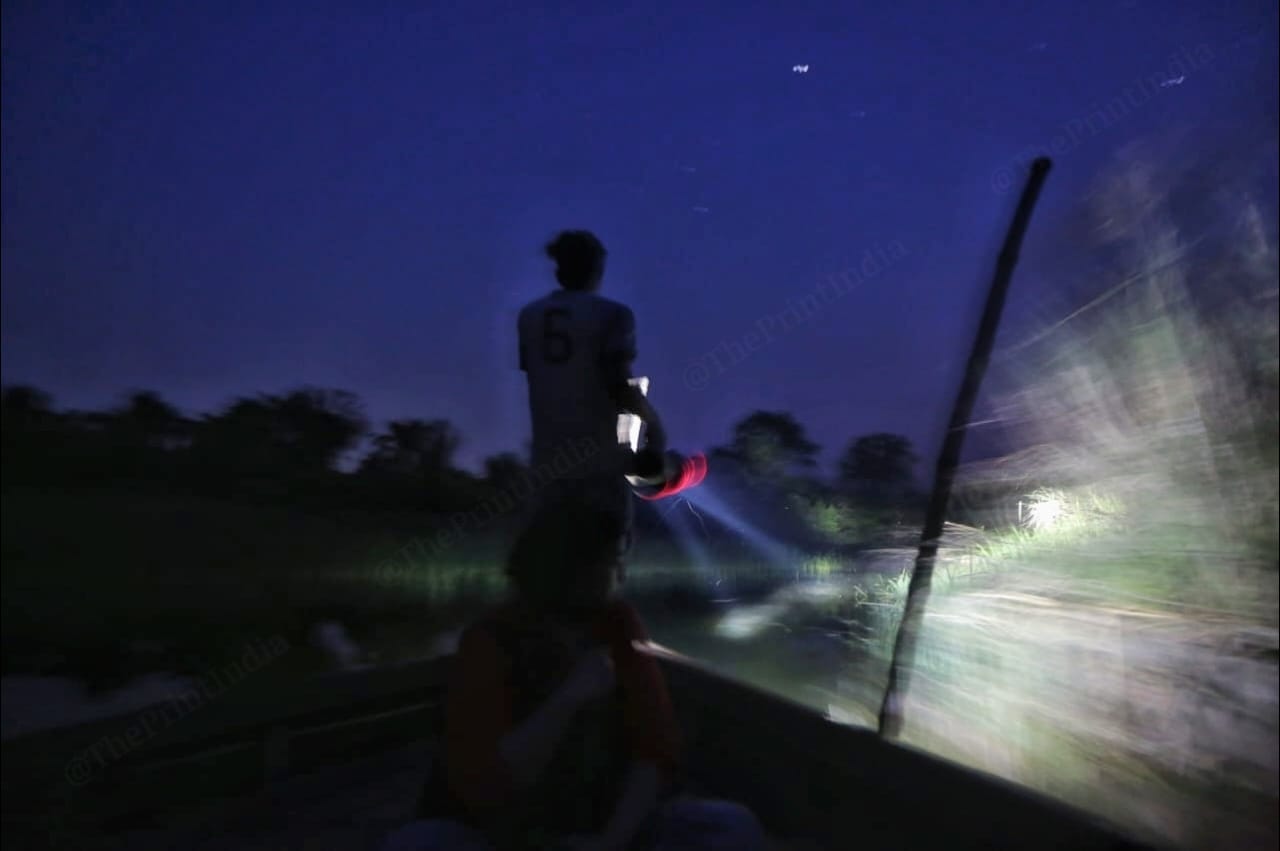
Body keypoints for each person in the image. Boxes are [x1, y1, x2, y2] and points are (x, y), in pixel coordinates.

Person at [384, 498, 765, 851]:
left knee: (732, 825)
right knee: (416, 843)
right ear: (571, 568)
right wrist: (568, 698)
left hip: (604, 820)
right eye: (611, 560)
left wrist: (611, 840)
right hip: (502, 832)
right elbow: (487, 785)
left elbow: (654, 747)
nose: (621, 573)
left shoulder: (619, 623)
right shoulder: (490, 639)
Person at [516, 230, 668, 552]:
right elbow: (616, 381)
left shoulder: (529, 317)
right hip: (599, 466)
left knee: (552, 567)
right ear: (598, 268)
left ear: (558, 269)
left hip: (546, 465)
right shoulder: (613, 315)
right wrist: (655, 429)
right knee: (602, 564)